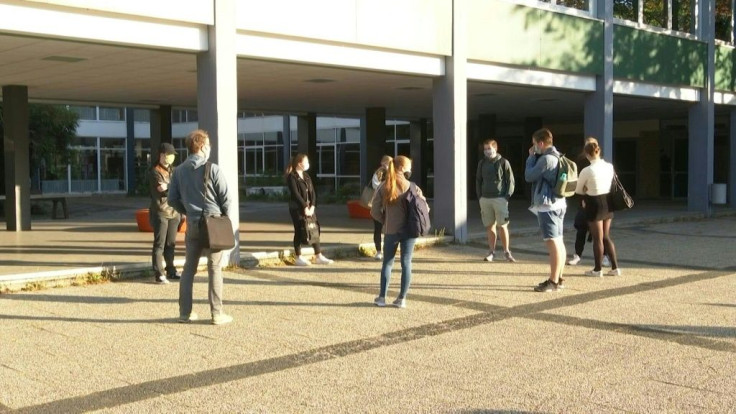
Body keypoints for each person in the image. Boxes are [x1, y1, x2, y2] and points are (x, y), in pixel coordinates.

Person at [168, 129, 234, 325]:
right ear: (203, 146)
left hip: (193, 225)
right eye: (209, 145)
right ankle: (217, 313)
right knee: (214, 268)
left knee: (189, 268)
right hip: (212, 223)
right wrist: (225, 220)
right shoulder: (212, 169)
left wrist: (187, 210)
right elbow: (227, 199)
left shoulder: (179, 171)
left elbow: (172, 199)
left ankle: (185, 313)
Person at [370, 155, 424, 308]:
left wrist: (385, 221)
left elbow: (374, 211)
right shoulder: (412, 186)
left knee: (387, 263)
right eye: (409, 166)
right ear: (402, 167)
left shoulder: (383, 186)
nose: (410, 169)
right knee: (406, 263)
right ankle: (402, 299)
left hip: (390, 229)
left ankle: (382, 298)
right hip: (410, 230)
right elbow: (425, 207)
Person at [525, 128, 567, 293]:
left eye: (534, 144)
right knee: (559, 241)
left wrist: (530, 158)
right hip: (559, 203)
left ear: (541, 143)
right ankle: (560, 277)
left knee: (552, 242)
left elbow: (529, 176)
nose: (534, 147)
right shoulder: (558, 155)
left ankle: (553, 281)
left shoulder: (546, 160)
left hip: (548, 205)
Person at [574, 140, 621, 277]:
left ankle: (597, 269)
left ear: (587, 154)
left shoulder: (587, 170)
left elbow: (578, 189)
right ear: (599, 151)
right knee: (606, 236)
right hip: (608, 202)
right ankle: (615, 267)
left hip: (594, 202)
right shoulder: (609, 166)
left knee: (597, 238)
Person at [568, 137, 611, 267]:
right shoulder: (581, 161)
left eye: (592, 145)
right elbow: (578, 184)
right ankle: (577, 255)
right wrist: (581, 199)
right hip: (586, 199)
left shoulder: (603, 165)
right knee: (581, 229)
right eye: (587, 146)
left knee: (602, 234)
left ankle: (604, 257)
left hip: (601, 200)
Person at [285, 153, 334, 266]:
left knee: (314, 229)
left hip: (309, 208)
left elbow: (312, 192)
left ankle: (318, 255)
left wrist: (312, 206)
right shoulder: (292, 177)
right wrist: (304, 207)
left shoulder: (306, 176)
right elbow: (295, 194)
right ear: (299, 163)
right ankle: (298, 257)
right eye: (306, 162)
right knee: (299, 230)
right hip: (297, 208)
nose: (308, 164)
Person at [475, 139, 516, 262]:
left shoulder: (504, 162)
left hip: (500, 199)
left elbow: (511, 181)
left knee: (502, 226)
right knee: (489, 226)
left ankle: (506, 252)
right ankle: (491, 252)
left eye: (489, 148)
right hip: (485, 199)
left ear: (495, 148)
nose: (487, 151)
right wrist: (480, 196)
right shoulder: (481, 163)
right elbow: (478, 180)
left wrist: (506, 197)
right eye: (485, 149)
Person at [149, 143, 182, 284]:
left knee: (171, 243)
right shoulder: (155, 171)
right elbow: (164, 190)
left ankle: (171, 270)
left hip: (174, 212)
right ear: (162, 155)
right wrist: (172, 186)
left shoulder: (173, 171)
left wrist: (171, 186)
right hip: (161, 211)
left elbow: (180, 187)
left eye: (172, 155)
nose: (171, 158)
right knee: (160, 244)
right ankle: (159, 273)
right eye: (169, 155)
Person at [370, 155, 393, 260]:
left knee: (390, 229)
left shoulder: (394, 174)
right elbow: (377, 187)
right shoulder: (378, 174)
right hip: (379, 206)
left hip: (390, 205)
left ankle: (389, 249)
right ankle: (379, 251)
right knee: (378, 229)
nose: (387, 166)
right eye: (386, 163)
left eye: (389, 163)